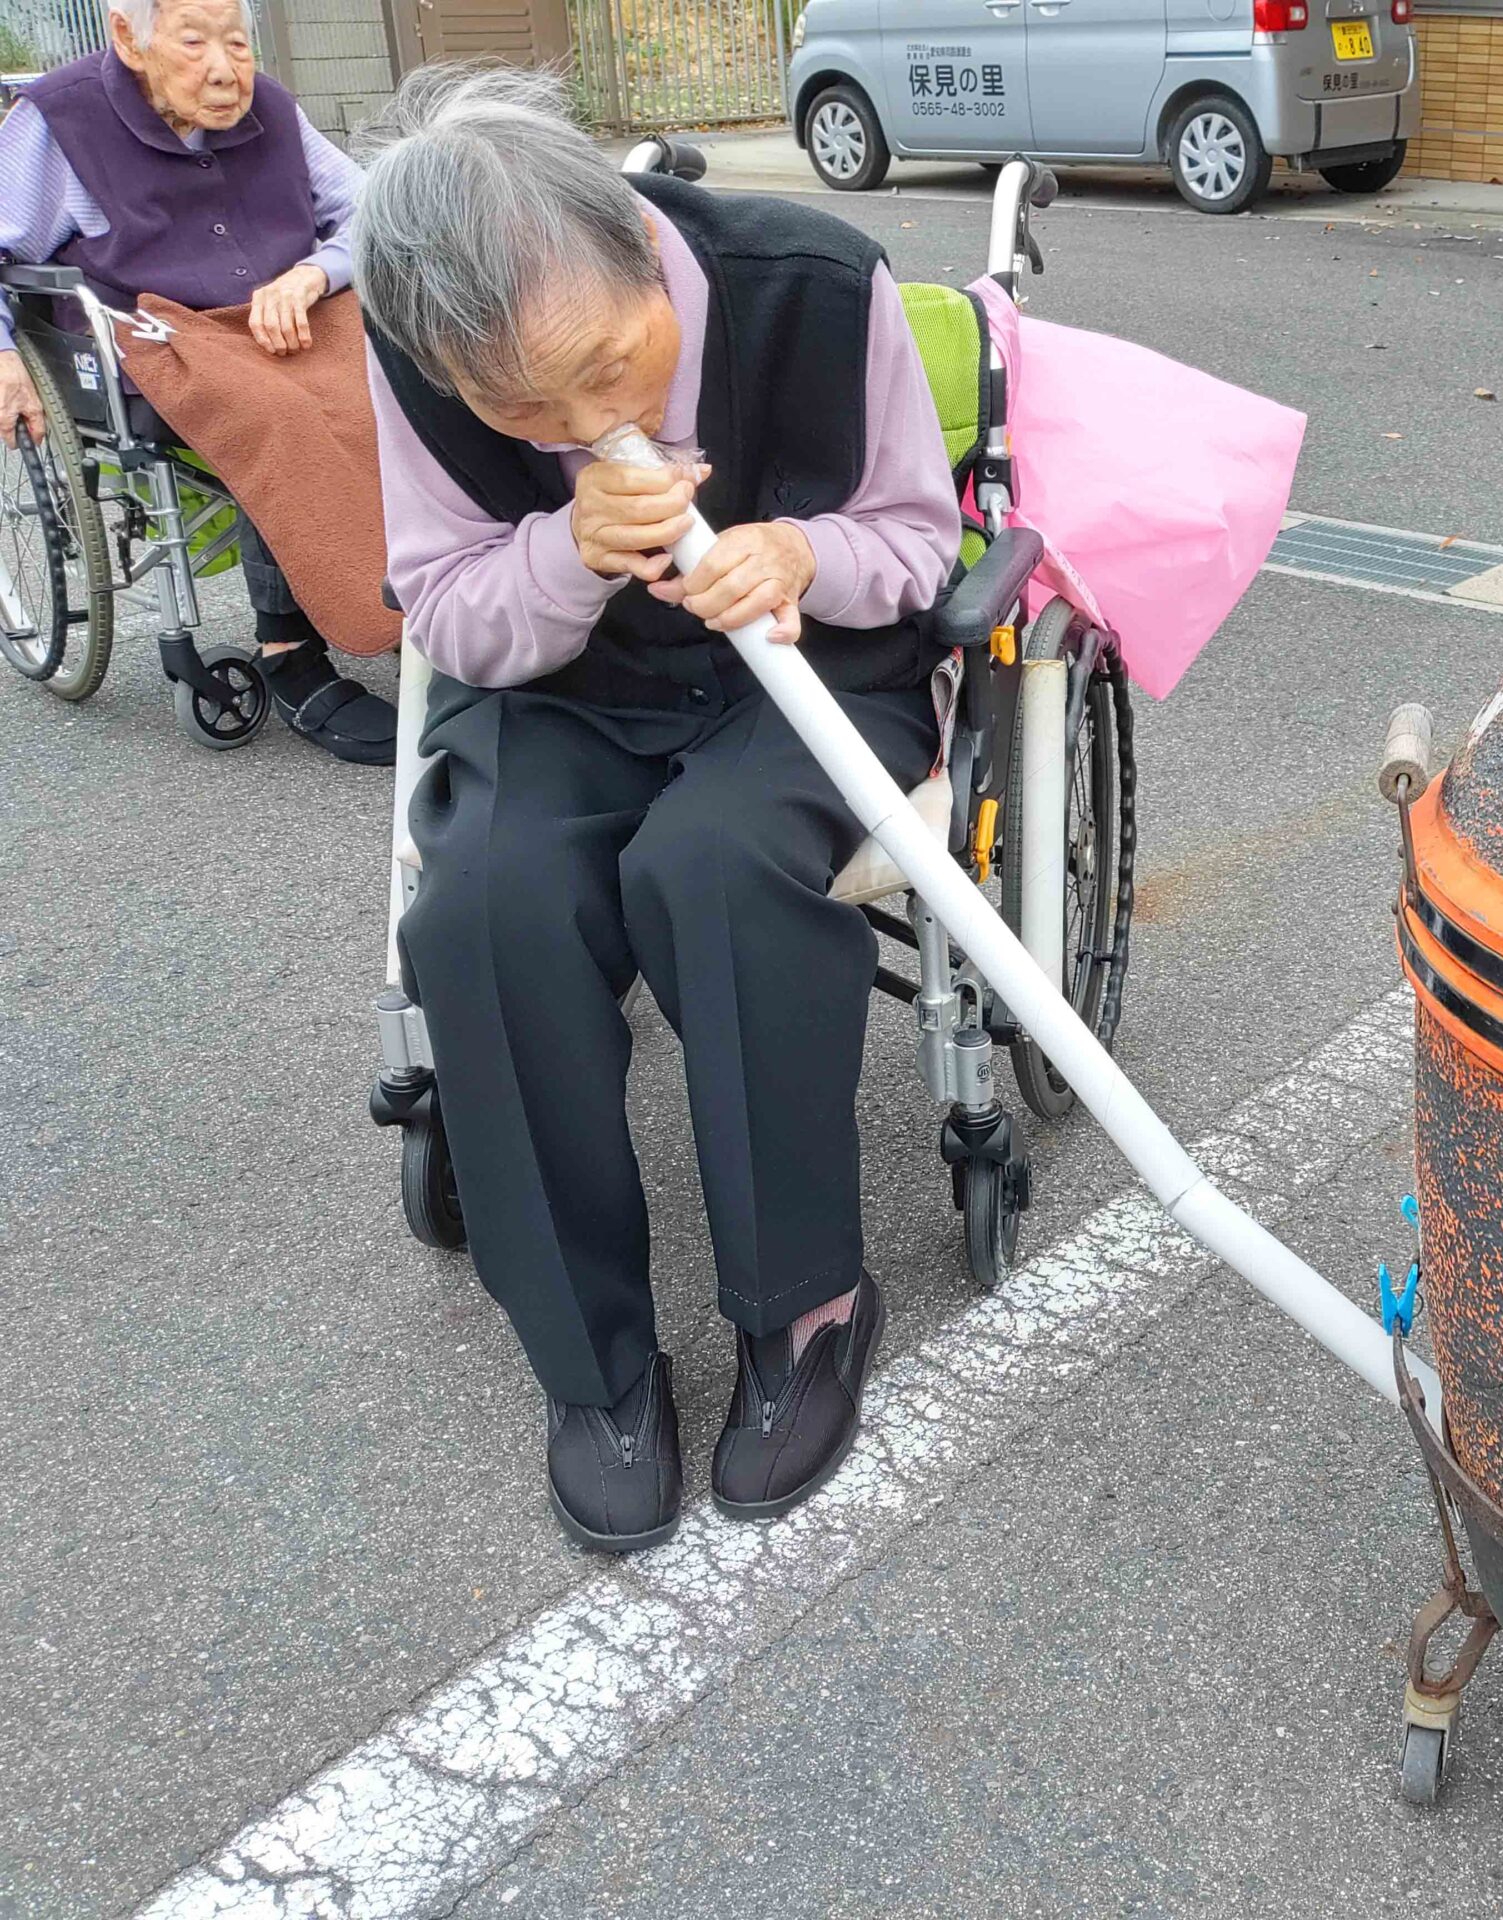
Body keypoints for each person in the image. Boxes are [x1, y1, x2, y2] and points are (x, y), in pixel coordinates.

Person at [353, 66, 962, 1552]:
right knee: (484, 906)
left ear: (639, 239)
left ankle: (803, 1307)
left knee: (717, 867)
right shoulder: (418, 348)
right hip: (566, 685)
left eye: (615, 369)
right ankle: (594, 1367)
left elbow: (920, 542)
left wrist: (801, 556)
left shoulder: (814, 281)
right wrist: (567, 549)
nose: (587, 420)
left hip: (803, 671)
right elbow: (447, 603)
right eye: (524, 404)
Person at [0, 0, 396, 763]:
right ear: (129, 39)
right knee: (276, 415)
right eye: (194, 40)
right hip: (156, 334)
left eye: (237, 42)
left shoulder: (272, 109)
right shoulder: (59, 119)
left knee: (407, 384)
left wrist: (313, 272)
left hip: (284, 317)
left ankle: (412, 603)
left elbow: (371, 208)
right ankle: (289, 650)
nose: (224, 66)